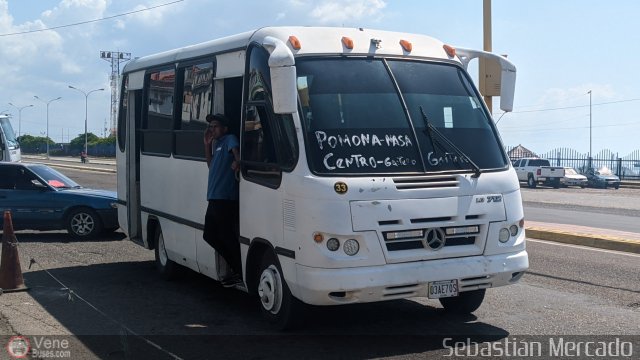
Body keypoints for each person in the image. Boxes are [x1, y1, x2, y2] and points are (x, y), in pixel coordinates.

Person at [203, 113, 242, 287]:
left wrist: (237, 162)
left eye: (215, 126)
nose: (212, 129)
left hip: (225, 197)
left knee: (225, 235)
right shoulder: (217, 144)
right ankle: (237, 268)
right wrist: (207, 145)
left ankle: (239, 271)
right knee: (209, 235)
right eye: (210, 126)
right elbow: (210, 165)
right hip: (214, 197)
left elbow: (237, 155)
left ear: (224, 128)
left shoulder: (229, 139)